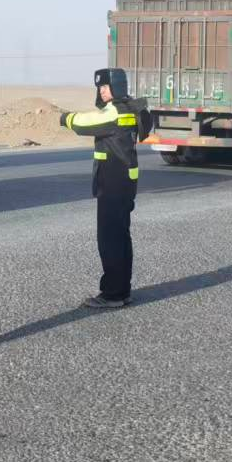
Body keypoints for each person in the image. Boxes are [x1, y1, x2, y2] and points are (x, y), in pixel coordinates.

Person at [61, 68, 142, 308]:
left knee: (109, 239)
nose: (102, 91)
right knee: (121, 237)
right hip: (124, 182)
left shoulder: (114, 112)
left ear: (116, 86)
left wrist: (64, 118)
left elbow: (84, 123)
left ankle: (112, 294)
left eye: (105, 87)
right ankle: (122, 290)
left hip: (112, 183)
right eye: (99, 87)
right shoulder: (130, 108)